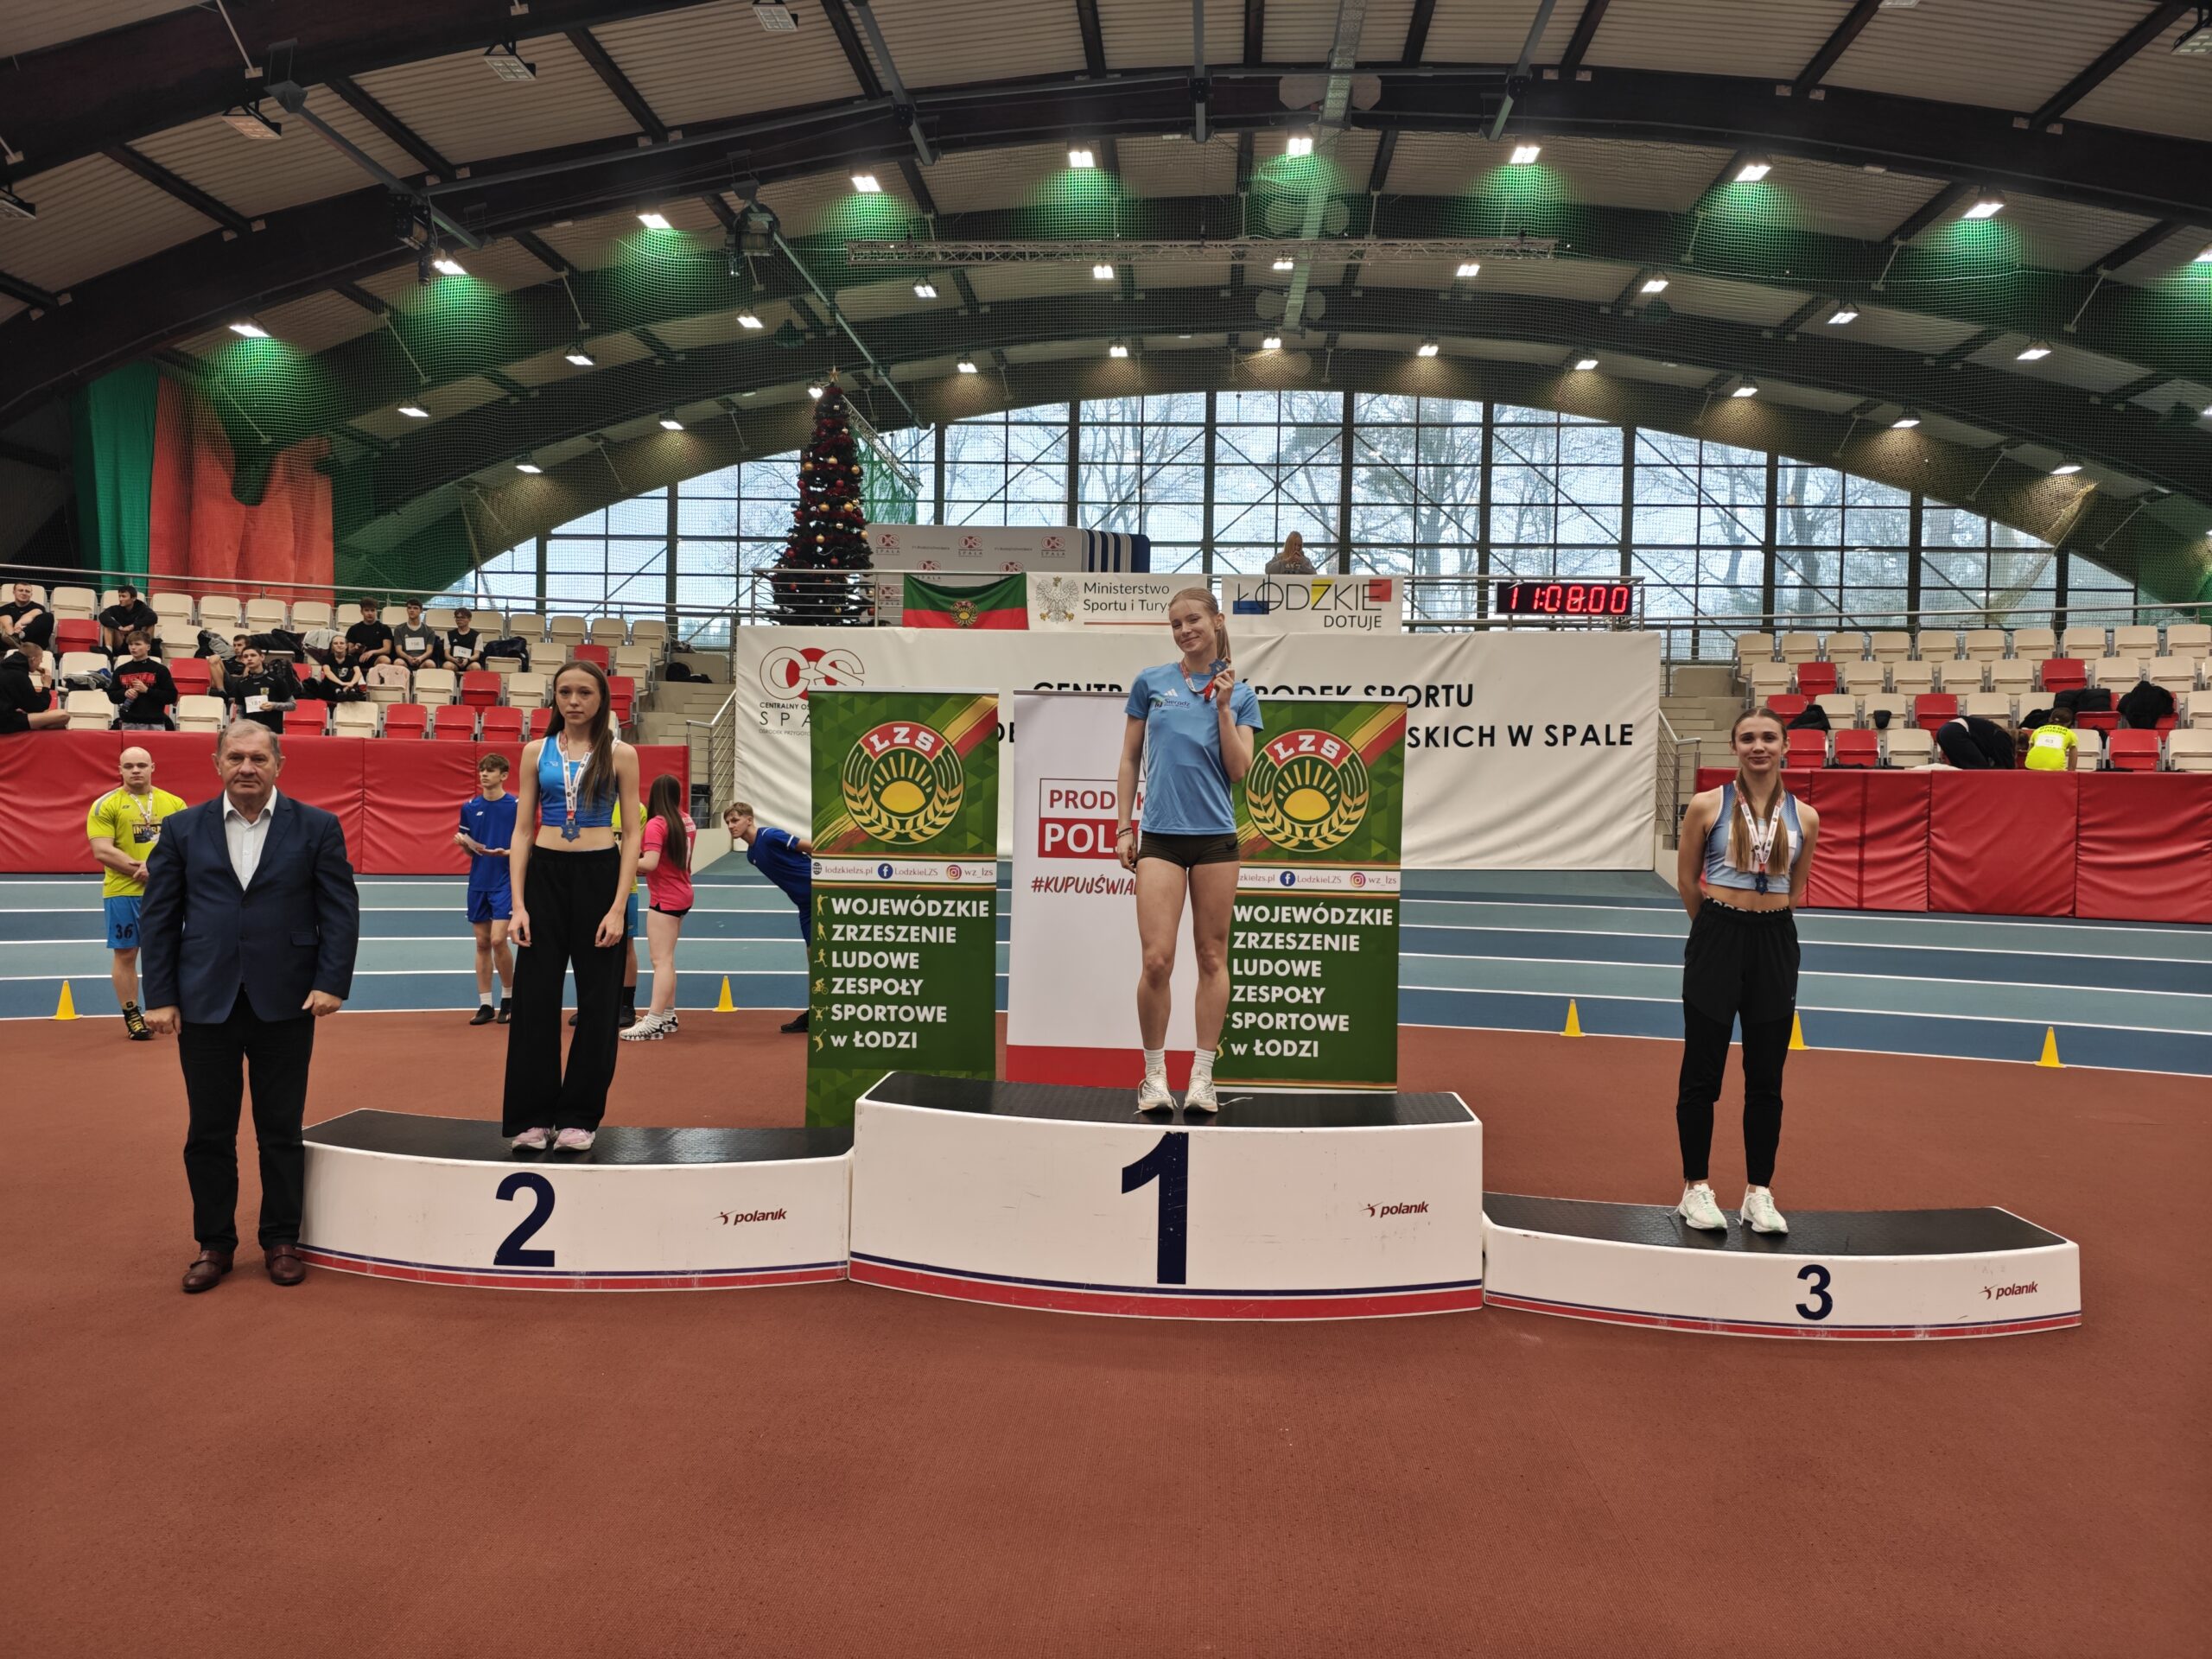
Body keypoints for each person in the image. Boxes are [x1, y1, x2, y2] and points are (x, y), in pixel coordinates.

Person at [140, 721, 359, 1292]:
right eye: (235, 757)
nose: (246, 767)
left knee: (280, 1131)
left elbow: (339, 911)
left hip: (287, 999)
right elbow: (160, 916)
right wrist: (158, 995)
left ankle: (282, 1239)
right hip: (204, 1001)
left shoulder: (317, 826)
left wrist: (332, 981)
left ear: (278, 765)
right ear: (217, 763)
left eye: (258, 758)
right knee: (208, 1133)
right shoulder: (183, 828)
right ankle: (214, 1245)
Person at [1669, 707, 1822, 1237]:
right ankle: (1695, 1188)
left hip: (1774, 940)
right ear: (1734, 746)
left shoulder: (1805, 817)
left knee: (1766, 1079)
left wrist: (1762, 927)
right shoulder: (1707, 805)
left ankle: (1759, 1193)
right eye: (1748, 738)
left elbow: (1795, 888)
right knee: (1702, 1073)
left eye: (1769, 738)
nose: (1759, 747)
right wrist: (1717, 931)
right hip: (1718, 934)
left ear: (1785, 747)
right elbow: (1687, 880)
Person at [1114, 587, 1263, 1116]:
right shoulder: (1151, 683)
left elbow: (1239, 770)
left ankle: (1202, 1076)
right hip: (1160, 838)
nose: (1184, 630)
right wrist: (1123, 827)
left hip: (1216, 840)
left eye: (1193, 619)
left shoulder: (1241, 695)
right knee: (1156, 960)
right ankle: (1154, 1075)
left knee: (1212, 957)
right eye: (1176, 624)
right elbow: (1129, 759)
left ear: (1217, 621)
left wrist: (1222, 706)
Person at [502, 660, 643, 1152]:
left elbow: (633, 834)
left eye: (584, 692)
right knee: (534, 1001)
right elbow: (522, 830)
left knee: (599, 1004)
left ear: (601, 699)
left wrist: (619, 906)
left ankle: (580, 1117)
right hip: (544, 877)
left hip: (599, 877)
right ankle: (533, 1118)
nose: (574, 701)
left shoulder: (621, 754)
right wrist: (518, 905)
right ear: (555, 698)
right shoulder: (534, 751)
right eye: (565, 692)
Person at [86, 747, 189, 1040]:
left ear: (152, 767)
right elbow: (102, 850)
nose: (135, 770)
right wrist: (143, 869)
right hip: (123, 891)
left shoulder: (175, 803)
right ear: (119, 769)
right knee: (127, 953)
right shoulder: (105, 805)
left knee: (175, 949)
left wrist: (156, 869)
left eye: (141, 765)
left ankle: (177, 1006)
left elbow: (187, 845)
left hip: (167, 892)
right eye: (129, 766)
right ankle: (132, 1014)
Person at [724, 801, 813, 1033]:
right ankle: (817, 1011)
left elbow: (811, 848)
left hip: (821, 895)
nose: (731, 826)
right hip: (805, 906)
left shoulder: (770, 836)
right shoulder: (751, 855)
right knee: (814, 958)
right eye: (728, 822)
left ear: (749, 820)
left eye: (735, 820)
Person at [625, 774, 696, 1042]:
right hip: (682, 891)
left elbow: (651, 863)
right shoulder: (686, 820)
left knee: (661, 961)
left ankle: (654, 1021)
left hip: (666, 898)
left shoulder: (657, 824)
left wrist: (624, 861)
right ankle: (667, 1015)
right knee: (667, 959)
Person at [457, 753, 519, 1025]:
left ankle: (509, 998)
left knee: (497, 940)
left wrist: (509, 852)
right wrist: (465, 845)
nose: (484, 774)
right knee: (482, 942)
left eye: (490, 770)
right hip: (479, 881)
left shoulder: (516, 805)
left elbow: (528, 843)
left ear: (503, 775)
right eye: (482, 770)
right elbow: (471, 852)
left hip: (505, 880)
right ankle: (485, 1004)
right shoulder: (469, 807)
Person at [105, 631, 177, 729]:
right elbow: (112, 696)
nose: (133, 647)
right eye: (130, 644)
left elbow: (171, 696)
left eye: (138, 644)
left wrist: (147, 690)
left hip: (154, 723)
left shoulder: (160, 669)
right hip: (128, 722)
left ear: (148, 647)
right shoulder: (121, 670)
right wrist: (125, 693)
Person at [222, 643, 300, 734]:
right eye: (246, 656)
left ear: (262, 657)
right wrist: (238, 729)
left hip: (272, 733)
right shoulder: (241, 683)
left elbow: (292, 705)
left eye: (253, 655)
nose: (249, 658)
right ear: (243, 660)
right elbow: (240, 712)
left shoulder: (276, 680)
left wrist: (273, 705)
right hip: (250, 733)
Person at [0, 641, 68, 734]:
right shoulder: (19, 676)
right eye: (41, 659)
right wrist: (47, 685)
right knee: (63, 716)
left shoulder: (5, 667)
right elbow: (38, 707)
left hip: (5, 714)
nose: (41, 662)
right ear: (33, 660)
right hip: (5, 722)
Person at [1933, 712, 2014, 769]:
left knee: (1961, 770)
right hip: (1955, 731)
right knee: (1979, 770)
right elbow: (2007, 767)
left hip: (1945, 729)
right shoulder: (2004, 737)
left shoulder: (1991, 732)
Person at [98, 584, 161, 655]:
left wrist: (132, 626)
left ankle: (146, 649)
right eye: (119, 596)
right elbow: (102, 616)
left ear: (133, 598)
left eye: (123, 596)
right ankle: (108, 650)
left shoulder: (142, 608)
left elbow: (153, 617)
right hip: (120, 642)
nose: (120, 599)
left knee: (151, 623)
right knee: (108, 622)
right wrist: (119, 628)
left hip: (137, 641)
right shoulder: (116, 608)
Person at [0, 581, 54, 654]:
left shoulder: (38, 607)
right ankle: (15, 638)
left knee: (48, 616)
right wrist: (13, 634)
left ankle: (20, 635)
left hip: (33, 643)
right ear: (14, 592)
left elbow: (33, 616)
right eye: (21, 590)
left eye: (27, 591)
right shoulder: (5, 608)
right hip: (10, 643)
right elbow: (7, 623)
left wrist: (20, 626)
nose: (24, 593)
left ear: (31, 594)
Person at [391, 599, 442, 673]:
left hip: (422, 660)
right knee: (398, 662)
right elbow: (399, 650)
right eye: (409, 608)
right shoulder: (399, 629)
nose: (412, 610)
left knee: (430, 664)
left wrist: (420, 658)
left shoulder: (429, 631)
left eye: (415, 608)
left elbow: (429, 651)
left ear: (421, 610)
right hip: (405, 660)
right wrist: (408, 658)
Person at [2023, 708, 2079, 772]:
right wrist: (2071, 772)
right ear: (2069, 723)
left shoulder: (2038, 730)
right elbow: (2073, 756)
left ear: (2050, 719)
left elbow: (2030, 750)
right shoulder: (2071, 734)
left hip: (2031, 766)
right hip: (2056, 769)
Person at [345, 598, 395, 670]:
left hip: (377, 657)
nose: (370, 613)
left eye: (372, 610)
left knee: (385, 660)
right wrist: (355, 648)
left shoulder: (385, 628)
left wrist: (371, 652)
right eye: (366, 610)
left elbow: (387, 649)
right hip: (358, 658)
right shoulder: (354, 629)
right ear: (361, 612)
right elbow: (349, 650)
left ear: (376, 612)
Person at [445, 607, 484, 671]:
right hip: (454, 662)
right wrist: (454, 660)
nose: (459, 620)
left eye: (462, 617)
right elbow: (447, 654)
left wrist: (467, 660)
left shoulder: (477, 635)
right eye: (457, 617)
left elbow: (477, 655)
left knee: (476, 666)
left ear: (469, 619)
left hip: (469, 662)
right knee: (447, 665)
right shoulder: (449, 634)